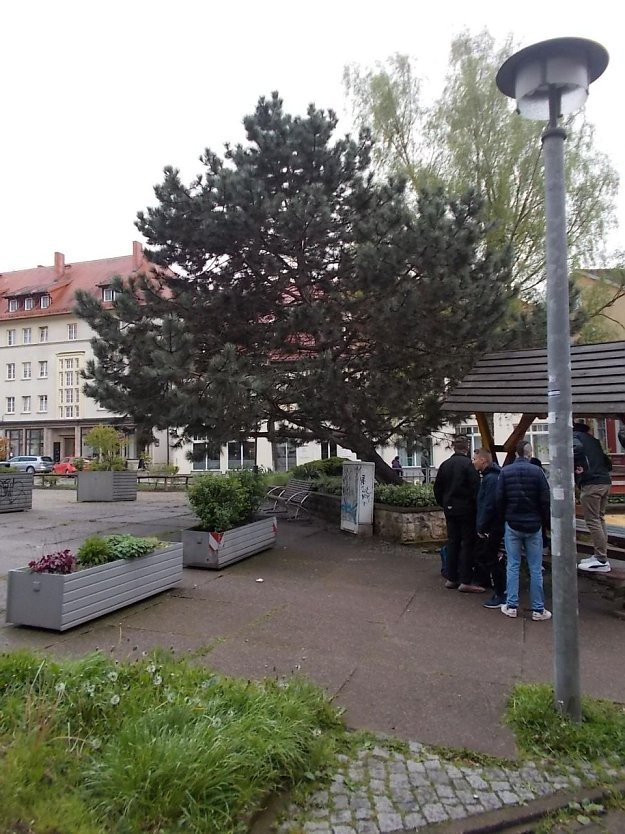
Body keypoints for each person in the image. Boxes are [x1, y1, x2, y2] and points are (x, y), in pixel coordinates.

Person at [496, 440, 551, 621]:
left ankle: (511, 605)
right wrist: (546, 523)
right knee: (535, 568)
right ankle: (538, 608)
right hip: (534, 524)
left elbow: (500, 499)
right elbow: (545, 500)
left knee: (513, 565)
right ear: (529, 453)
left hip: (512, 523)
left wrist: (504, 516)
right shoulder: (538, 472)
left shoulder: (505, 472)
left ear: (516, 453)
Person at [433, 436, 483, 592]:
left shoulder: (445, 465)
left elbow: (437, 488)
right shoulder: (469, 465)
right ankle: (465, 580)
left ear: (454, 448)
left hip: (449, 508)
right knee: (467, 543)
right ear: (466, 449)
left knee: (453, 541)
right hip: (467, 510)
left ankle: (451, 577)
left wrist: (444, 503)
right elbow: (476, 489)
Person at [573, 420, 612, 573]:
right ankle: (601, 555)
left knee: (593, 520)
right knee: (600, 518)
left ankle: (601, 558)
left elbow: (576, 449)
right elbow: (607, 461)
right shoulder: (594, 441)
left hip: (591, 483)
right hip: (604, 481)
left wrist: (578, 466)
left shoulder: (575, 437)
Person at [472, 448, 506, 609]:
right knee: (491, 557)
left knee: (492, 557)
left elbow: (488, 505)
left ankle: (500, 593)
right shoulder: (493, 476)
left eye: (475, 459)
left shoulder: (490, 479)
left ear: (483, 461)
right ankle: (500, 590)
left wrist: (481, 526)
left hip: (493, 526)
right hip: (495, 524)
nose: (473, 462)